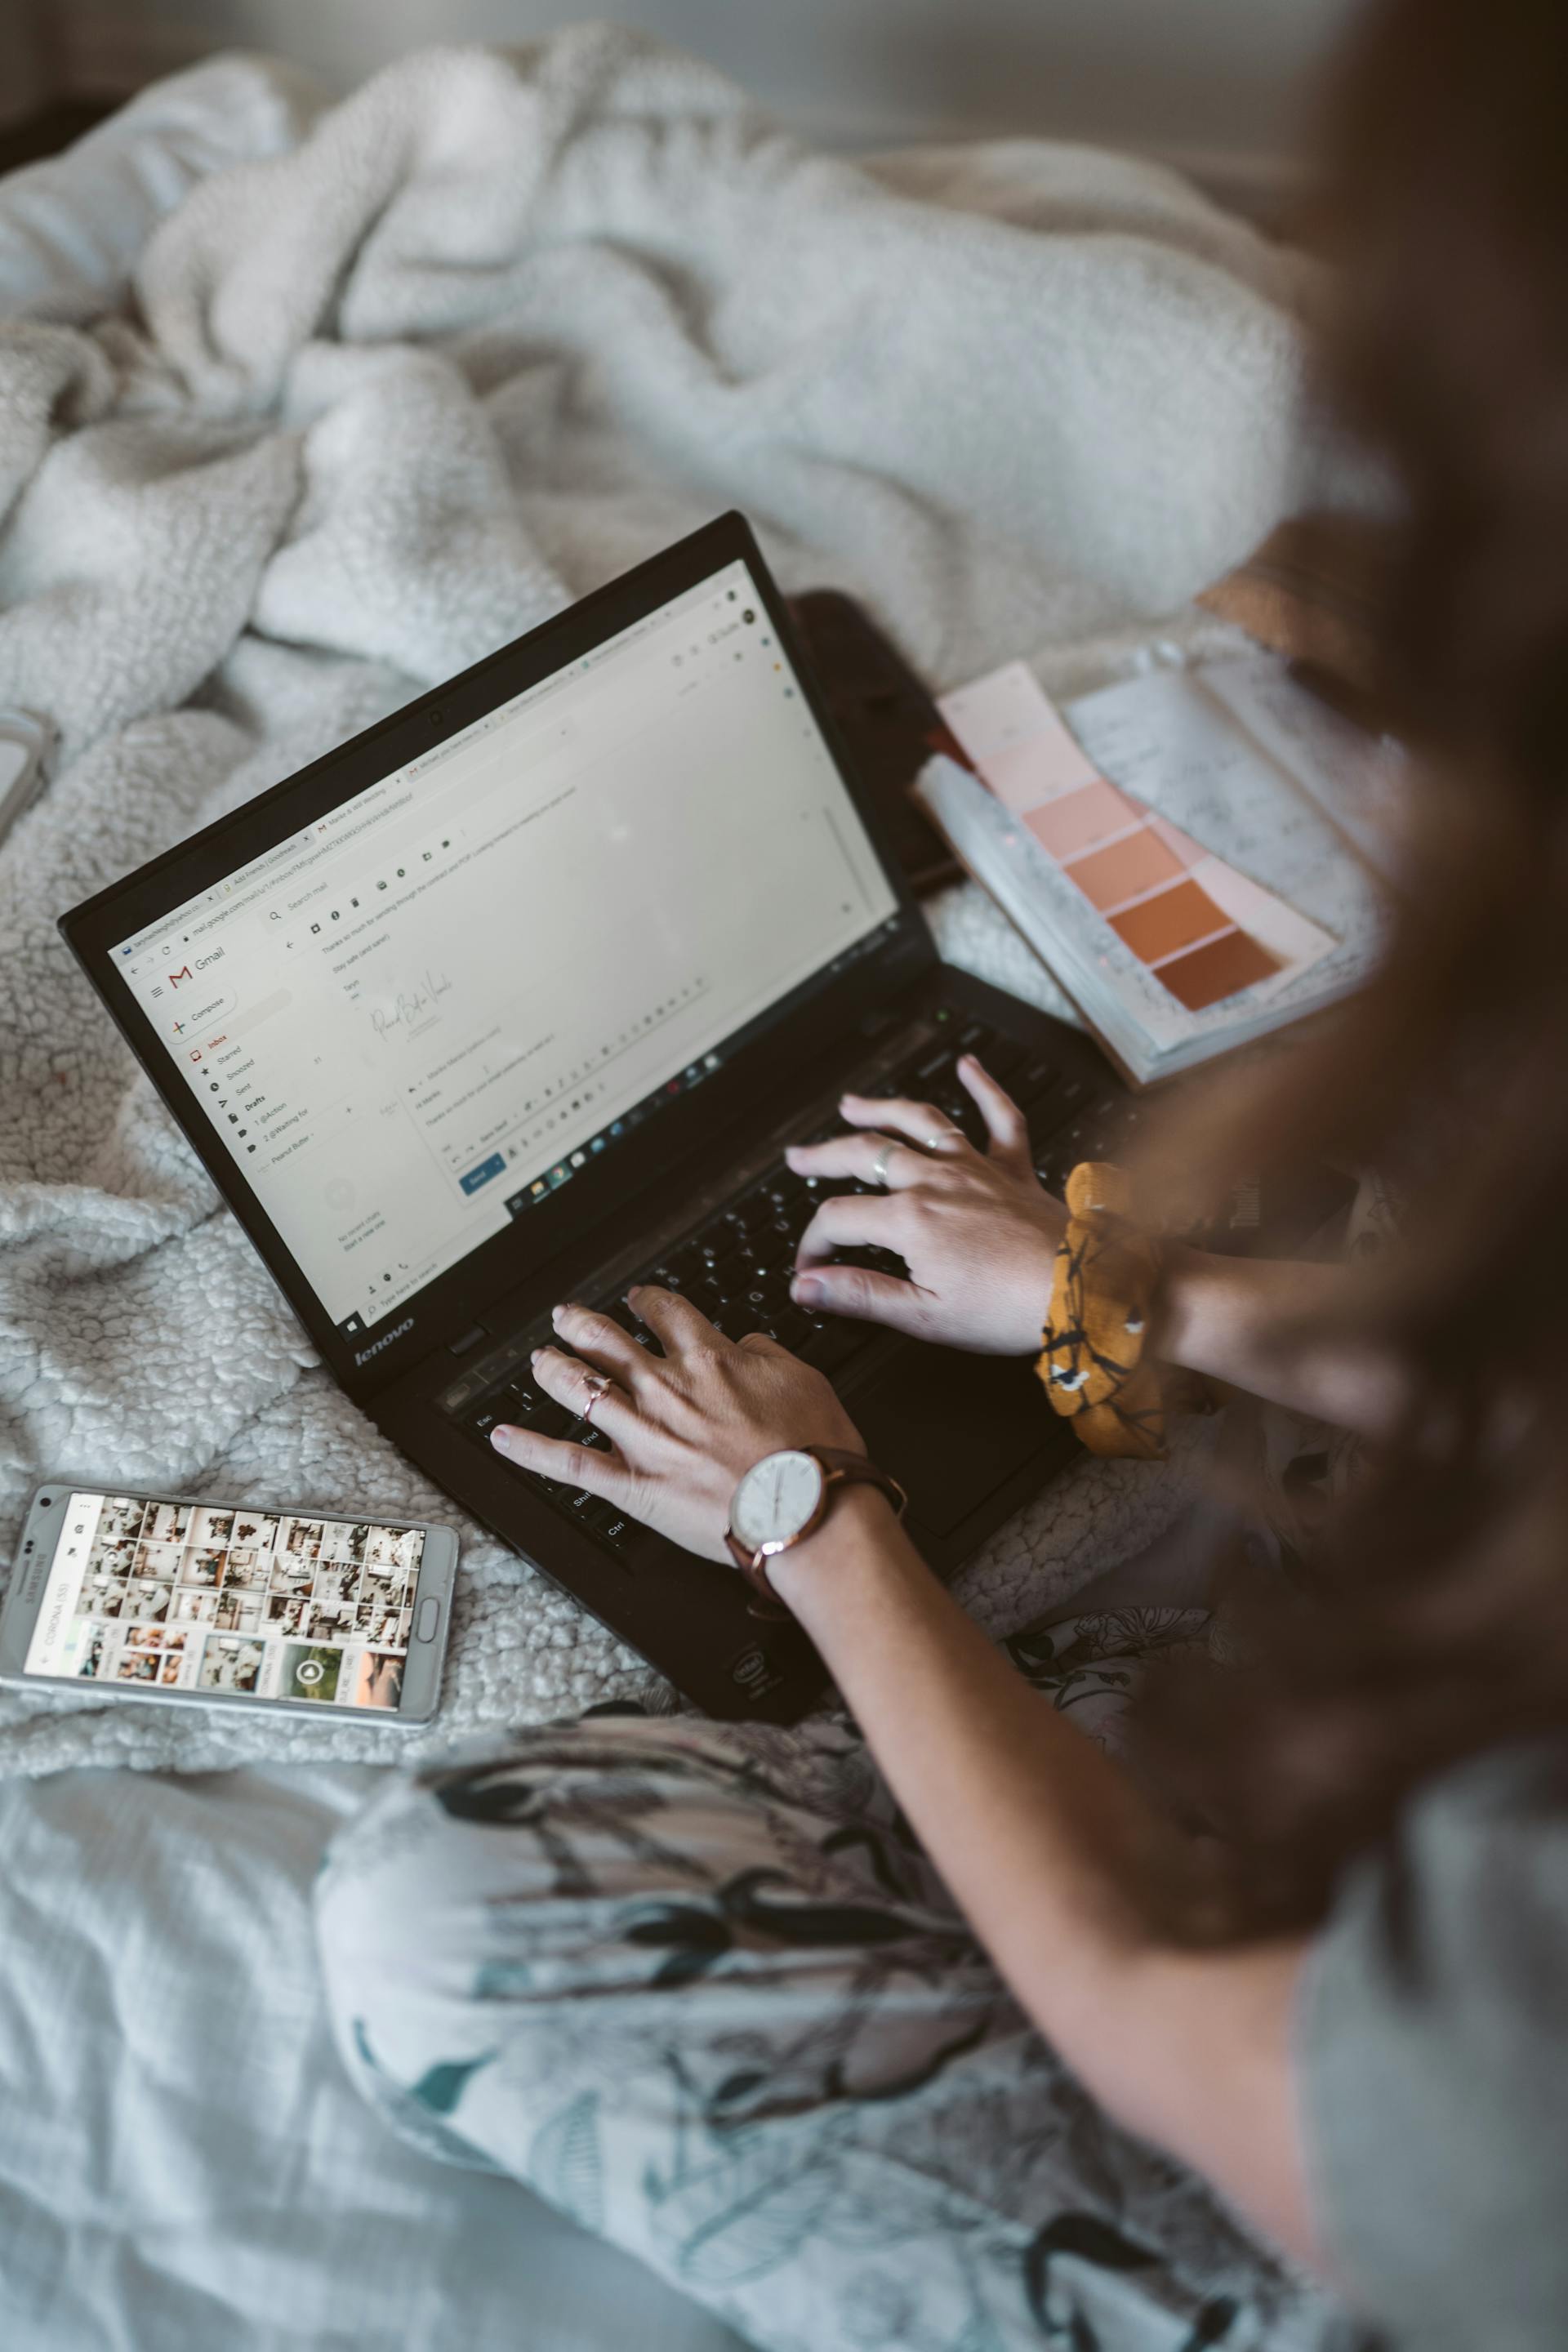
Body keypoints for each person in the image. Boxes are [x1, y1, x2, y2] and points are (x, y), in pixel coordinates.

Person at [314, 3, 1568, 2345]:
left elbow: (1199, 2036)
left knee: (441, 1902)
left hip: (1388, 2224)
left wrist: (827, 1528)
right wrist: (1128, 1305)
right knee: (1274, 1253)